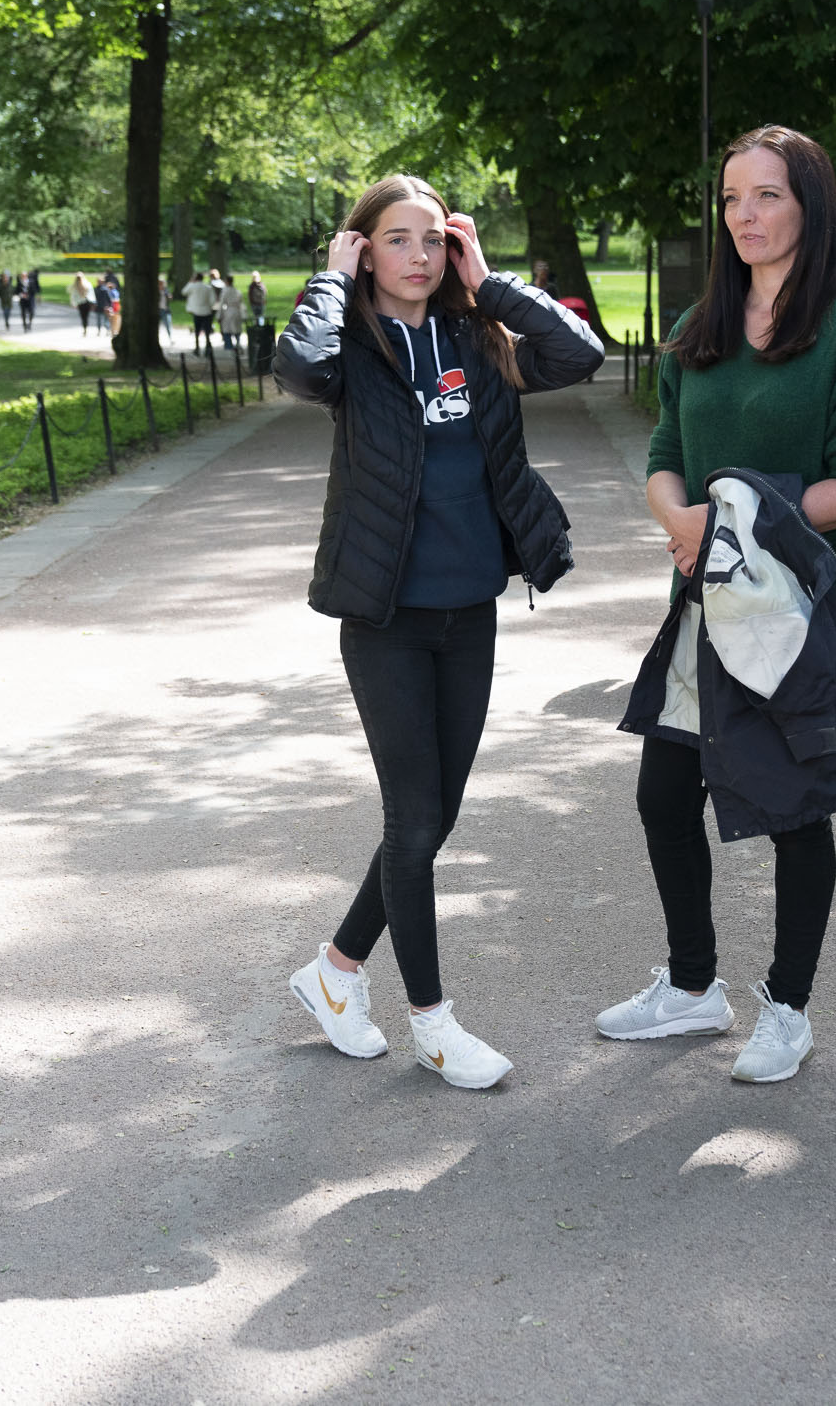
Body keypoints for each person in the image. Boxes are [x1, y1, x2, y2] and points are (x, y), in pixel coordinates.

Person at [274, 174, 603, 1088]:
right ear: (363, 249)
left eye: (433, 239)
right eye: (396, 239)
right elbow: (298, 372)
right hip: (385, 618)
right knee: (415, 821)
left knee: (434, 818)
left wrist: (489, 282)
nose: (418, 256)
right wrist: (330, 284)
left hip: (471, 612)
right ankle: (434, 1024)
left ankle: (334, 972)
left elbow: (578, 354)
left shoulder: (476, 337)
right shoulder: (351, 347)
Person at [602, 124, 836, 1085]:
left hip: (801, 611)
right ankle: (694, 987)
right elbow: (665, 455)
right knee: (663, 795)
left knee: (795, 809)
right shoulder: (703, 326)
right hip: (705, 601)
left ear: (809, 205)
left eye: (767, 195)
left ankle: (789, 1008)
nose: (745, 214)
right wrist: (682, 520)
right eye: (733, 198)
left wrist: (738, 521)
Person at [182, 267, 214, 354]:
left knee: (197, 330)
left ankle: (197, 348)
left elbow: (183, 292)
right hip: (206, 311)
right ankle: (208, 347)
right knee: (207, 330)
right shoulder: (208, 288)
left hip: (196, 312)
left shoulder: (192, 287)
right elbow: (213, 300)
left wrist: (190, 282)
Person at [216, 266, 244, 353]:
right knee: (236, 328)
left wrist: (219, 315)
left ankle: (229, 347)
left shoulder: (225, 291)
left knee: (227, 330)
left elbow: (221, 304)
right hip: (236, 311)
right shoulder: (237, 291)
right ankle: (238, 343)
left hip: (228, 311)